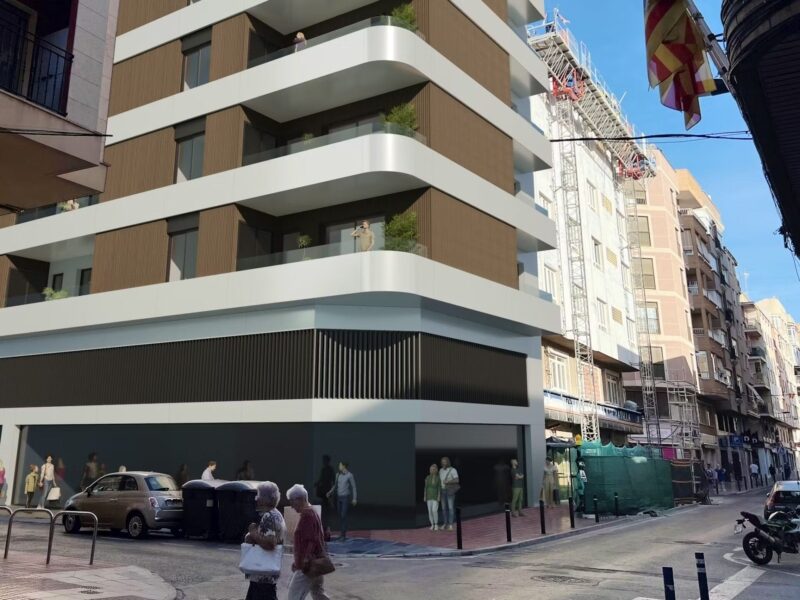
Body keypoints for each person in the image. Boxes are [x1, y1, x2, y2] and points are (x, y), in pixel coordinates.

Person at [287, 484, 331, 600]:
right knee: (318, 593)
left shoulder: (307, 515)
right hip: (315, 562)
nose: (291, 506)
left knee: (294, 596)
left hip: (307, 565)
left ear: (301, 499)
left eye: (292, 501)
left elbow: (310, 540)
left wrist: (304, 559)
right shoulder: (312, 512)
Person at [243, 481, 286, 600]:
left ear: (265, 498)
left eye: (258, 495)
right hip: (266, 573)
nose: (256, 499)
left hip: (263, 574)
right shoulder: (277, 514)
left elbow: (270, 543)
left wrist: (253, 533)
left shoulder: (269, 516)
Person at [327, 461, 357, 541]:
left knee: (343, 515)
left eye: (340, 465)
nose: (339, 467)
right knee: (340, 516)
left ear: (344, 466)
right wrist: (330, 492)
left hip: (345, 497)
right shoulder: (338, 475)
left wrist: (354, 498)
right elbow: (335, 485)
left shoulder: (350, 475)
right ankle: (342, 534)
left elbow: (353, 487)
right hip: (339, 497)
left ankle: (343, 535)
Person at [315, 455, 335, 531]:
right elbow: (321, 478)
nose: (324, 462)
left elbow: (333, 479)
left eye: (325, 460)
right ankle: (325, 514)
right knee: (325, 501)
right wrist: (317, 483)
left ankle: (326, 514)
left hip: (327, 488)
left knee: (326, 501)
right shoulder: (324, 469)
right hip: (324, 487)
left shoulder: (330, 469)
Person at [439, 457, 459, 531]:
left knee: (450, 508)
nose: (443, 463)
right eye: (442, 462)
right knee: (444, 509)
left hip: (449, 490)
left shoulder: (453, 470)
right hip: (442, 491)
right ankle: (445, 524)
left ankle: (450, 525)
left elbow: (457, 480)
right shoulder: (440, 470)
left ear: (448, 462)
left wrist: (448, 481)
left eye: (445, 461)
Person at [423, 464, 441, 530]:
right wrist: (425, 496)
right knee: (430, 511)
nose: (432, 470)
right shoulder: (427, 477)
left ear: (436, 470)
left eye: (433, 469)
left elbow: (439, 488)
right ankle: (432, 524)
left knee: (434, 510)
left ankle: (436, 524)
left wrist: (439, 496)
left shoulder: (438, 478)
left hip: (435, 496)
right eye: (431, 469)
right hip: (429, 496)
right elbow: (425, 487)